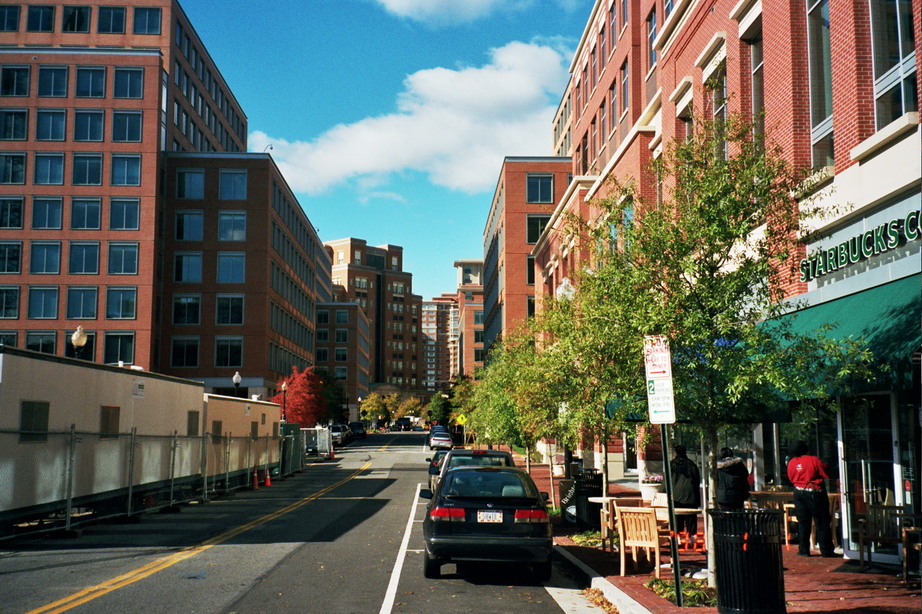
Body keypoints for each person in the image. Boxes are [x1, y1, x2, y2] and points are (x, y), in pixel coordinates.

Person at [787, 440, 836, 557]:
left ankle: (804, 549)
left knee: (803, 522)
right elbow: (827, 473)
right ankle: (826, 550)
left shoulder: (791, 462)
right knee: (822, 521)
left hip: (798, 492)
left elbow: (790, 478)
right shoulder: (814, 460)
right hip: (815, 492)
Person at [670, 444, 701, 537]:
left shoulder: (672, 465)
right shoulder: (691, 464)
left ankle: (678, 537)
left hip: (676, 495)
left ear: (676, 453)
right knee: (691, 518)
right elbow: (697, 480)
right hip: (690, 495)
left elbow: (668, 480)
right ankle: (692, 537)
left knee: (677, 518)